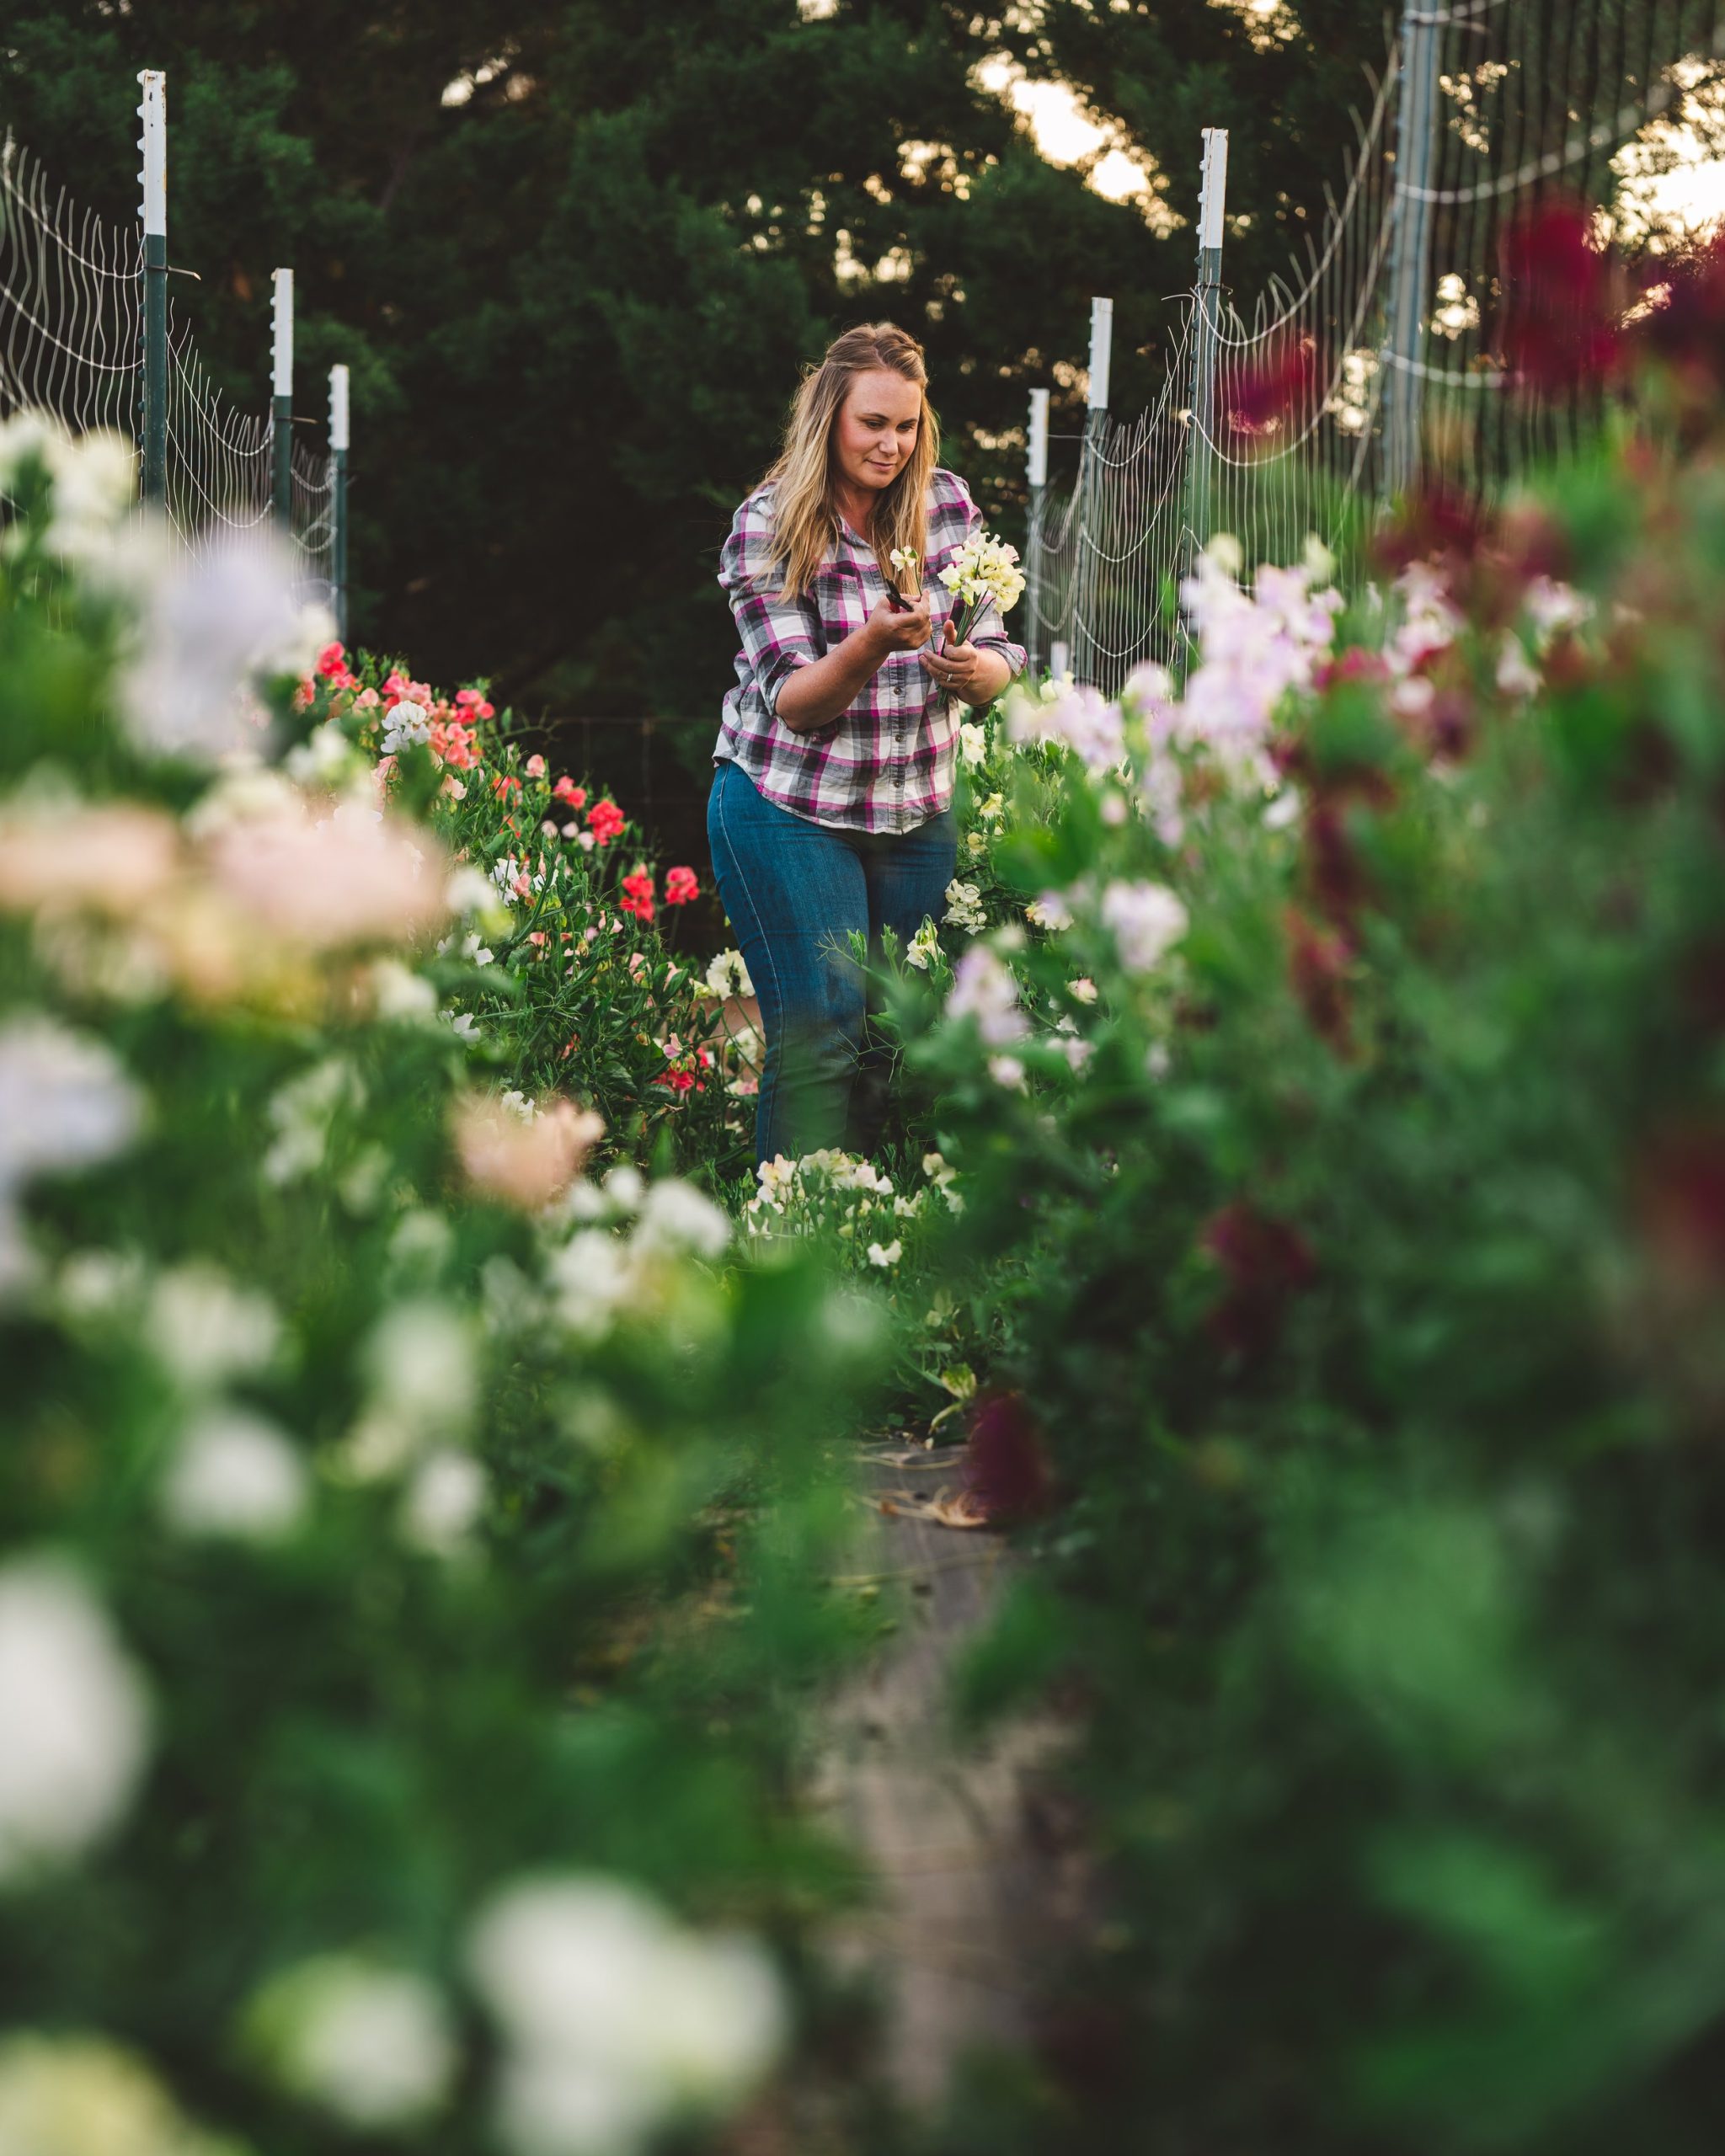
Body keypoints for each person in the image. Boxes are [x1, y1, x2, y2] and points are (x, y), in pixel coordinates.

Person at [708, 322, 1025, 1167]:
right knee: (819, 1040)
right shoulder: (768, 524)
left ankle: (859, 1254)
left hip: (912, 811)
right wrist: (870, 643)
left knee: (884, 1050)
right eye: (871, 424)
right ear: (828, 421)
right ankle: (784, 1251)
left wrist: (977, 671)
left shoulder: (946, 506)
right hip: (787, 807)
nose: (891, 444)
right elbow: (795, 702)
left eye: (906, 426)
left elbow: (998, 648)